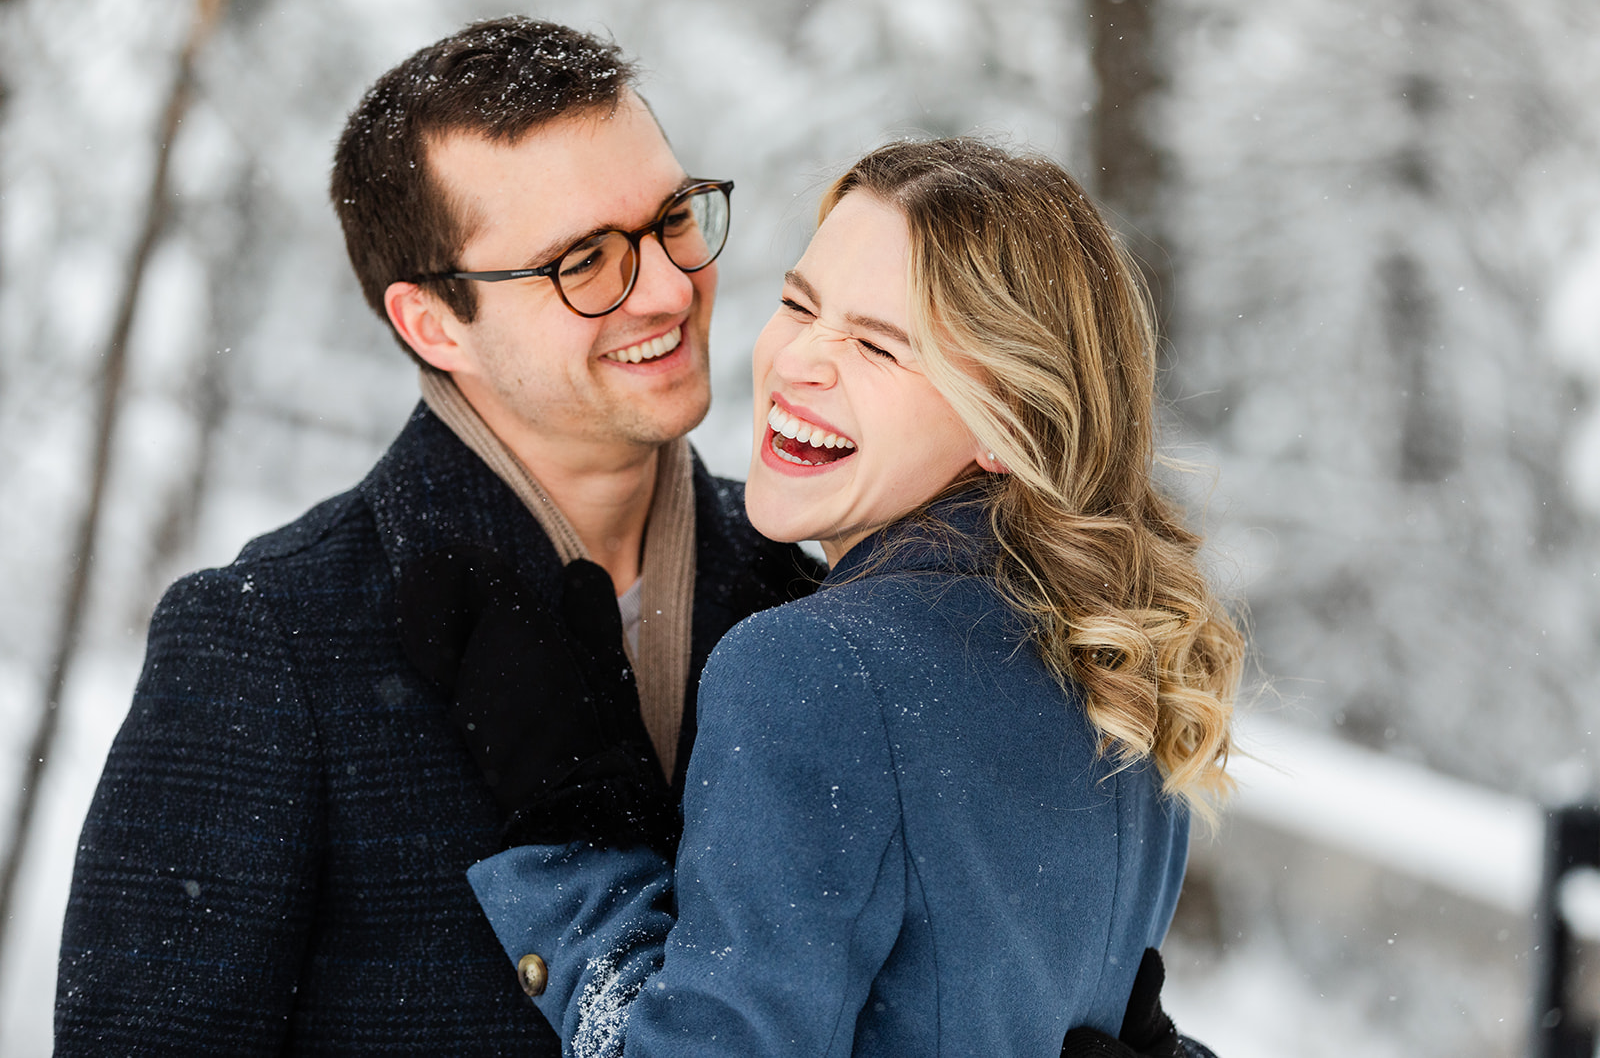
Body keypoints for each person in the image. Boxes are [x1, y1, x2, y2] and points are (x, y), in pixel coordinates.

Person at [54, 18, 816, 1054]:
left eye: (674, 217)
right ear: (432, 323)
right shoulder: (265, 642)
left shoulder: (811, 588)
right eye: (585, 260)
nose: (672, 288)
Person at [464, 137, 1244, 1057]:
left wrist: (574, 838)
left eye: (879, 345)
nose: (801, 360)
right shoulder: (1118, 657)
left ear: (1009, 424)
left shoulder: (815, 669)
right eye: (799, 303)